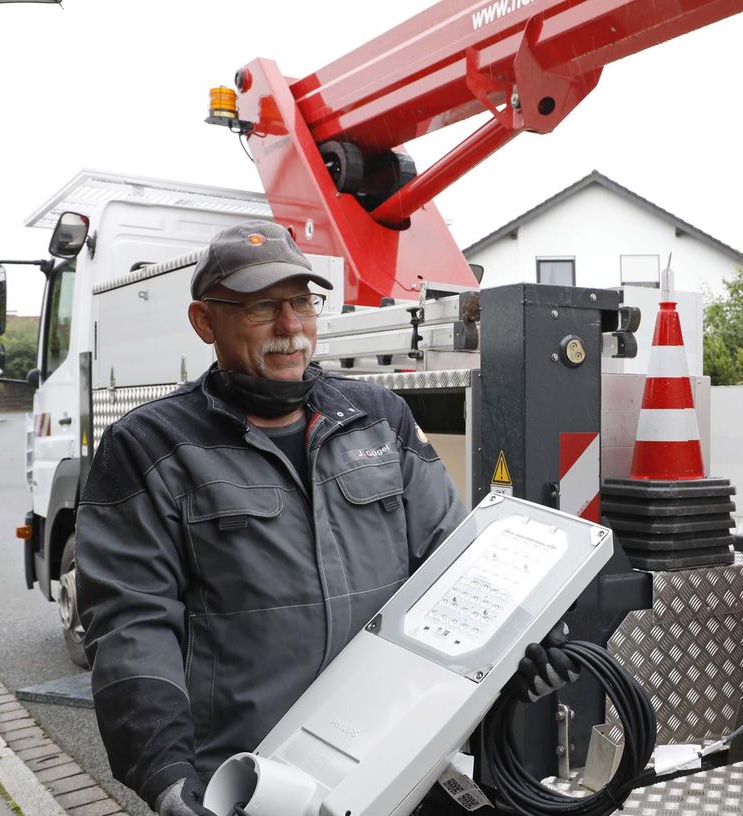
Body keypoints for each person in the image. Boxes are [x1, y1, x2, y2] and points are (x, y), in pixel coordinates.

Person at [77, 221, 575, 816]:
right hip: (249, 781)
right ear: (205, 321)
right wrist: (163, 772)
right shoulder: (150, 445)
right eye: (263, 307)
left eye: (302, 303)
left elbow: (454, 567)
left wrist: (518, 649)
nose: (290, 328)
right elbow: (133, 625)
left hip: (395, 758)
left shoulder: (378, 418)